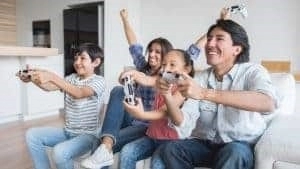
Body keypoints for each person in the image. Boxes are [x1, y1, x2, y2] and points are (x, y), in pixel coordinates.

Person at [81, 9, 204, 169]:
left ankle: (107, 144)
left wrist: (220, 24)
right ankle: (105, 146)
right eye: (150, 51)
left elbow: (194, 50)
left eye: (158, 52)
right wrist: (128, 75)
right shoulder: (144, 67)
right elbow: (134, 46)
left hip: (149, 123)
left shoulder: (177, 80)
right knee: (118, 92)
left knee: (129, 150)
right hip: (136, 118)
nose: (152, 54)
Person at [160, 19, 280, 169]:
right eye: (209, 38)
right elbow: (184, 120)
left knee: (234, 152)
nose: (210, 44)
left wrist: (204, 93)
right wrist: (167, 95)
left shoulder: (253, 72)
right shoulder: (200, 77)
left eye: (219, 39)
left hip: (239, 145)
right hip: (205, 145)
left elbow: (269, 102)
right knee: (170, 149)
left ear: (237, 49)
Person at [18, 43, 109, 169]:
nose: (77, 62)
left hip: (88, 136)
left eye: (82, 58)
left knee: (59, 152)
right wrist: (32, 79)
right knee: (32, 135)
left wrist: (51, 76)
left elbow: (79, 93)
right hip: (68, 132)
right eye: (76, 58)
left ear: (96, 62)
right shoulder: (71, 78)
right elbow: (49, 87)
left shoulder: (99, 81)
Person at [119, 49, 200, 169]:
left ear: (186, 69)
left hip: (170, 142)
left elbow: (164, 111)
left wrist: (141, 114)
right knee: (127, 151)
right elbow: (146, 79)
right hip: (152, 137)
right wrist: (131, 74)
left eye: (172, 64)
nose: (166, 68)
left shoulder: (184, 89)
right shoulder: (161, 80)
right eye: (164, 65)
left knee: (157, 165)